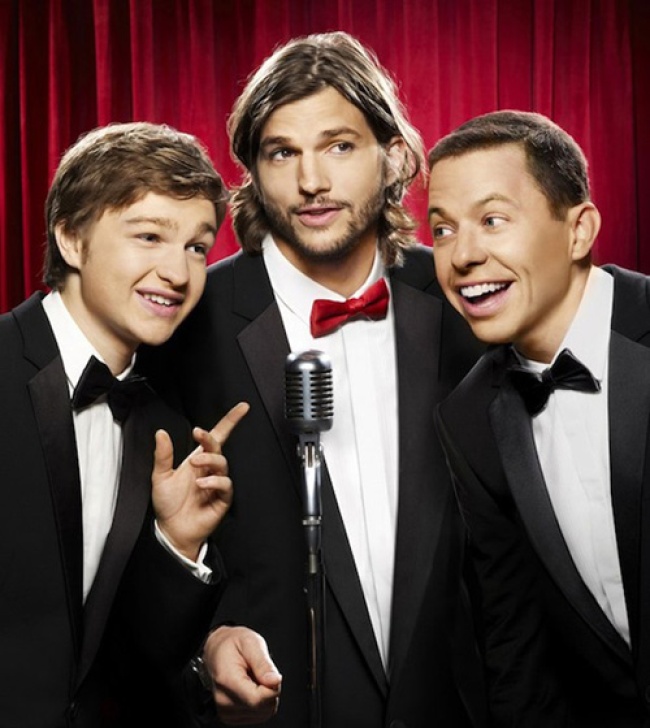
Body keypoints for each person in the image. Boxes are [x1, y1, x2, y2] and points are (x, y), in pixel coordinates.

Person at [140, 32, 485, 727]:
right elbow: (123, 569)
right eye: (282, 153)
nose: (311, 182)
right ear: (252, 171)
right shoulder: (181, 320)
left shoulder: (468, 302)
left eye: (339, 146)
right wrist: (204, 650)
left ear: (394, 158)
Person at [0, 121, 260, 728]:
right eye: (149, 236)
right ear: (71, 238)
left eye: (197, 247)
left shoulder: (166, 431)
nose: (179, 272)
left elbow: (129, 665)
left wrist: (176, 543)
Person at [429, 110, 650, 727]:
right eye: (442, 229)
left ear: (578, 231)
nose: (462, 255)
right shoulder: (467, 417)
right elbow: (514, 642)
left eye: (492, 220)